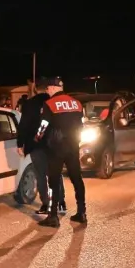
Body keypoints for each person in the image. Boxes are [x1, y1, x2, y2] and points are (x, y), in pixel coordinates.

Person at [35, 76, 87, 228]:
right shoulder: (76, 103)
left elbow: (44, 125)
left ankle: (53, 216)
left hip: (56, 148)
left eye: (48, 89)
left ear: (52, 88)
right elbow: (81, 125)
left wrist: (37, 137)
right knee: (77, 179)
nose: (47, 92)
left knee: (53, 181)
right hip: (73, 146)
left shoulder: (50, 104)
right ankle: (82, 212)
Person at [16, 83, 66, 215]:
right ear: (48, 89)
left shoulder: (30, 104)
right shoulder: (56, 103)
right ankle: (61, 203)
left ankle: (45, 204)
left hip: (36, 145)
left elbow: (24, 125)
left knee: (41, 175)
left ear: (35, 89)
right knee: (56, 174)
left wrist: (20, 144)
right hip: (55, 144)